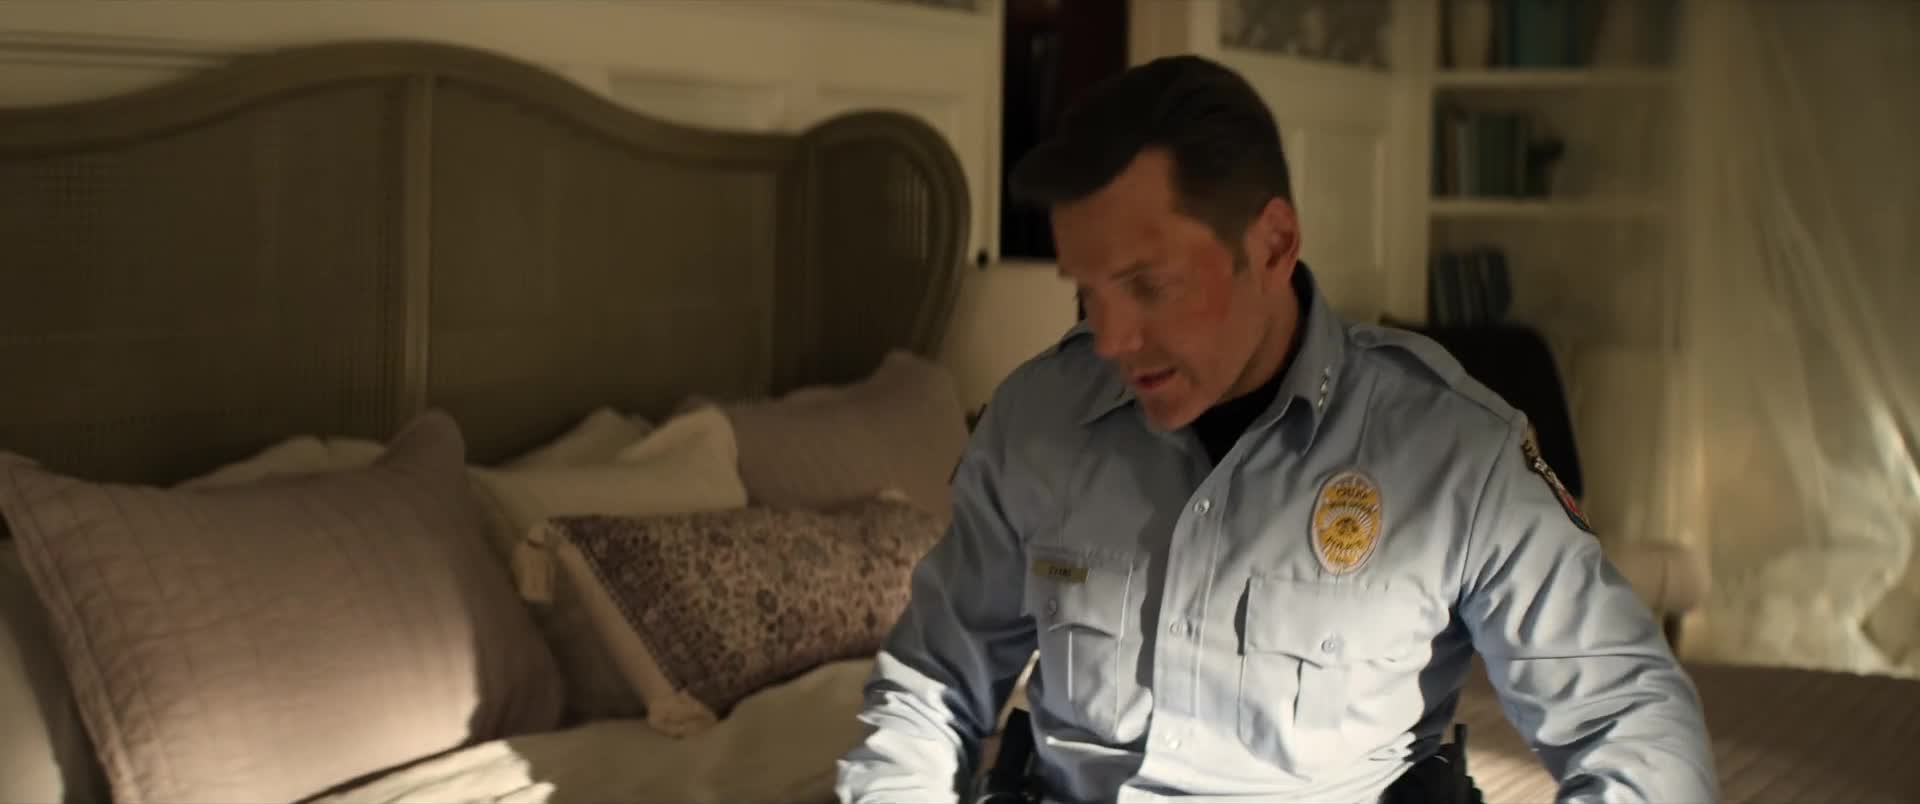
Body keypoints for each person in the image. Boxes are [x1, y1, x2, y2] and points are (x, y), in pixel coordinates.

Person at [835, 55, 1717, 804]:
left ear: (1272, 245)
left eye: (1148, 286)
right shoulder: (1036, 422)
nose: (1109, 340)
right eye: (1087, 294)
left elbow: (1631, 721)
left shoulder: (1450, 448)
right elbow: (932, 689)